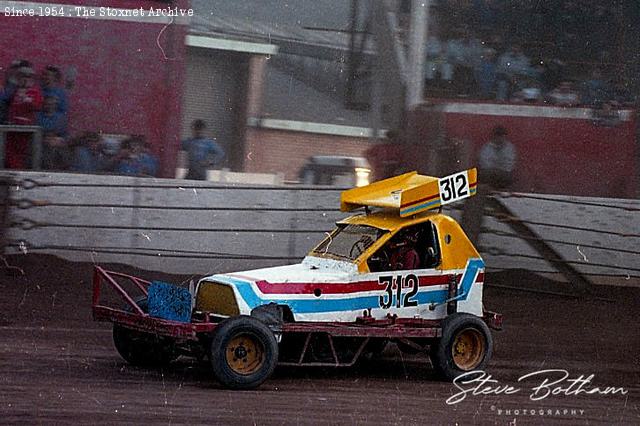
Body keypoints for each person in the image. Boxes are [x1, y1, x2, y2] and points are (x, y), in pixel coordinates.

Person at [5, 64, 43, 169]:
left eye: (28, 77)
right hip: (12, 128)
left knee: (22, 154)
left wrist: (26, 99)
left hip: (25, 129)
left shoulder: (35, 92)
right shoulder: (14, 91)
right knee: (9, 152)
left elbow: (36, 105)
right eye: (22, 76)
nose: (25, 79)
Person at [37, 96, 68, 170]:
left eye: (52, 104)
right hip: (41, 141)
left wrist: (59, 139)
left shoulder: (61, 117)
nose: (49, 106)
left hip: (56, 141)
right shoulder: (38, 116)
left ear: (55, 105)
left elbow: (64, 134)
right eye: (47, 104)